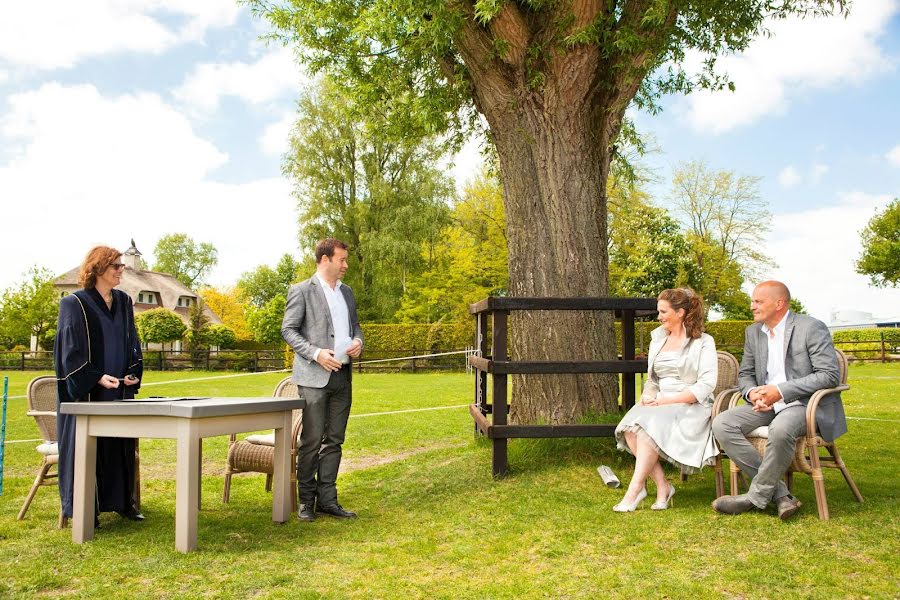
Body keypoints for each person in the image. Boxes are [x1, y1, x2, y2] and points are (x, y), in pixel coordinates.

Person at [712, 280, 845, 520]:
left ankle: (754, 498)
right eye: (753, 301)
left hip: (805, 404)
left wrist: (781, 391)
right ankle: (781, 495)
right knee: (722, 423)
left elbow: (829, 375)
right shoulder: (753, 332)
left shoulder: (811, 327)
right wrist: (752, 393)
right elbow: (746, 374)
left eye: (758, 301)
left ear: (779, 303)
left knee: (780, 429)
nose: (752, 306)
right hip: (766, 404)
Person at [55, 246, 144, 525]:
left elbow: (132, 342)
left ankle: (122, 503)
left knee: (120, 446)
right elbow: (70, 352)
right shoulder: (74, 304)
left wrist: (132, 371)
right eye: (116, 266)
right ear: (98, 268)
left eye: (122, 266)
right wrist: (95, 377)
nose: (121, 270)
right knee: (87, 449)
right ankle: (84, 508)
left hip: (118, 391)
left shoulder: (124, 301)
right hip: (89, 395)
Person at [612, 288, 718, 512]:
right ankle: (663, 486)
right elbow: (653, 380)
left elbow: (706, 385)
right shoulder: (658, 339)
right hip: (660, 402)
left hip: (691, 404)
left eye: (662, 312)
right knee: (630, 428)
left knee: (645, 428)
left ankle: (634, 489)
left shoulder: (704, 342)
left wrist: (666, 402)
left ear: (680, 312)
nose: (658, 317)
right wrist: (649, 395)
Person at [282, 238, 363, 522]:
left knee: (335, 440)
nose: (345, 265)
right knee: (312, 440)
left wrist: (357, 342)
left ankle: (328, 499)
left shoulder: (347, 293)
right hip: (314, 378)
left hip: (343, 376)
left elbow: (356, 328)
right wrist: (316, 354)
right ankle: (306, 501)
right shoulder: (301, 291)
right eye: (341, 259)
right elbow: (289, 330)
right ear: (325, 259)